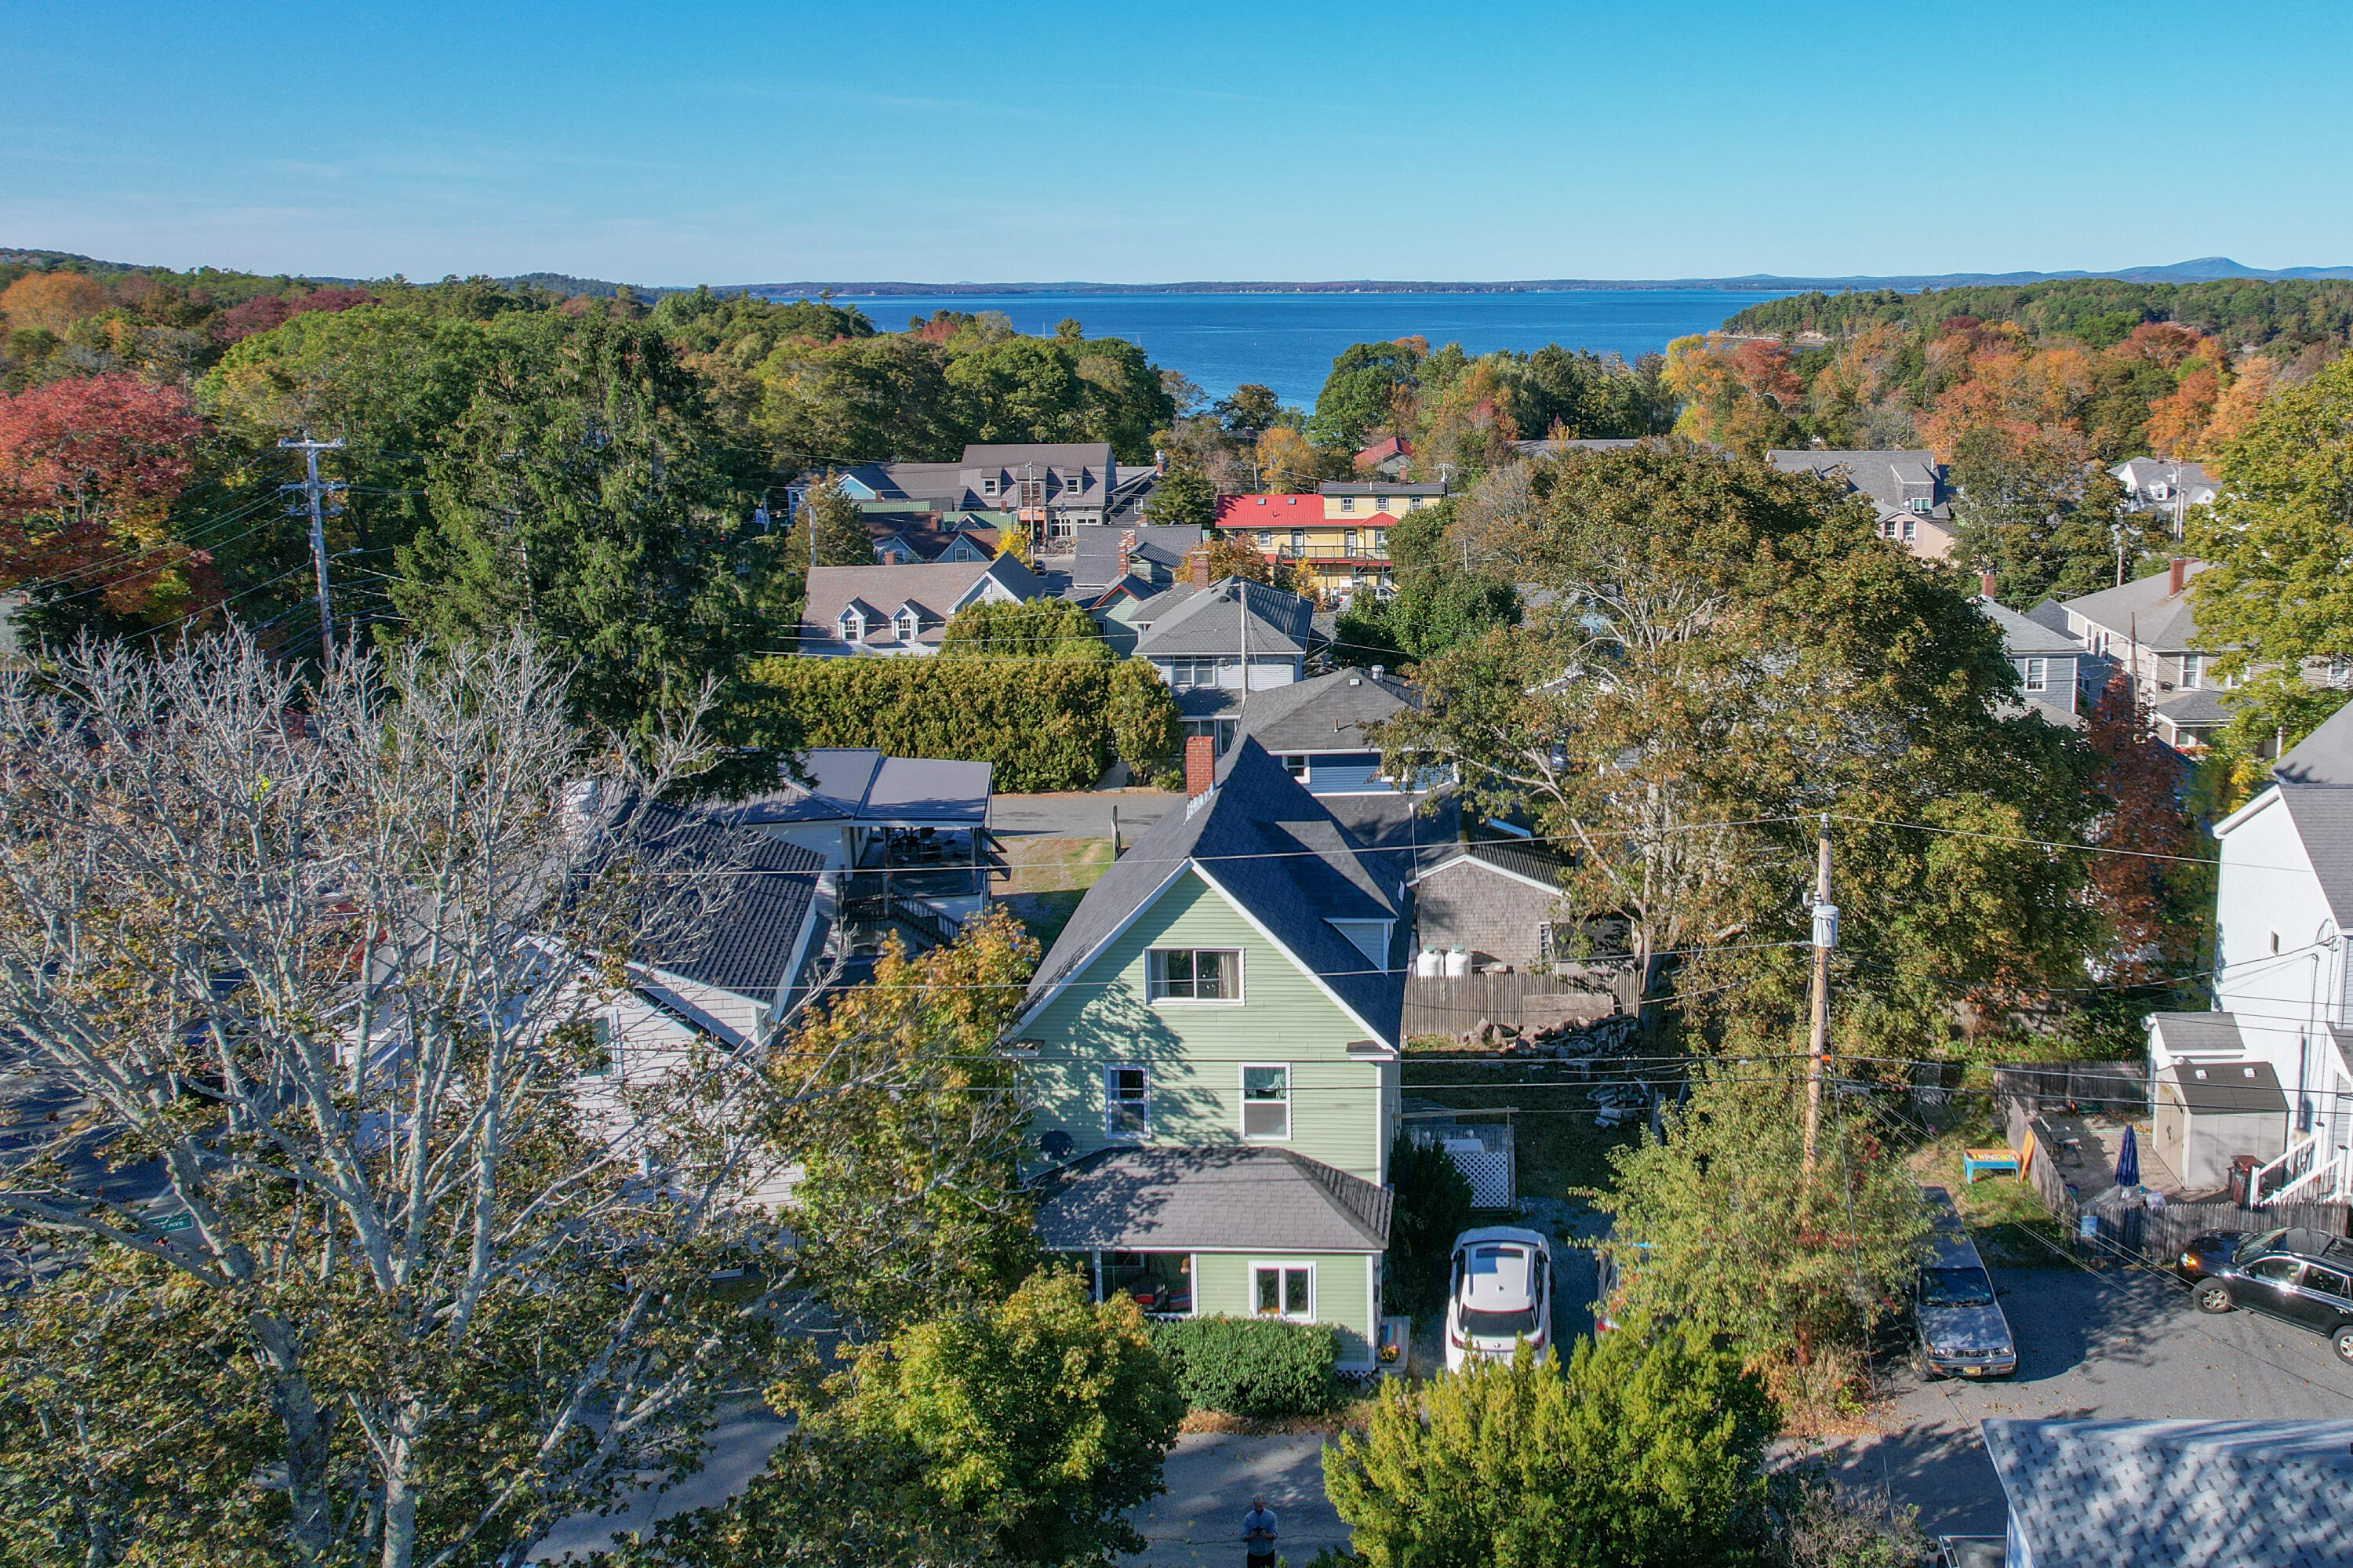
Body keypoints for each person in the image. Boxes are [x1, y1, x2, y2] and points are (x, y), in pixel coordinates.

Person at [1241, 1494, 1278, 1568]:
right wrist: (1250, 1536)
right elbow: (1243, 1537)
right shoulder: (1248, 1518)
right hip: (1253, 1554)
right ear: (1254, 1505)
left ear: (1264, 1504)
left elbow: (1275, 1535)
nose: (1258, 1509)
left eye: (1260, 1506)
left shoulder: (1271, 1516)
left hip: (1268, 1553)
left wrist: (1265, 1535)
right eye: (1256, 1507)